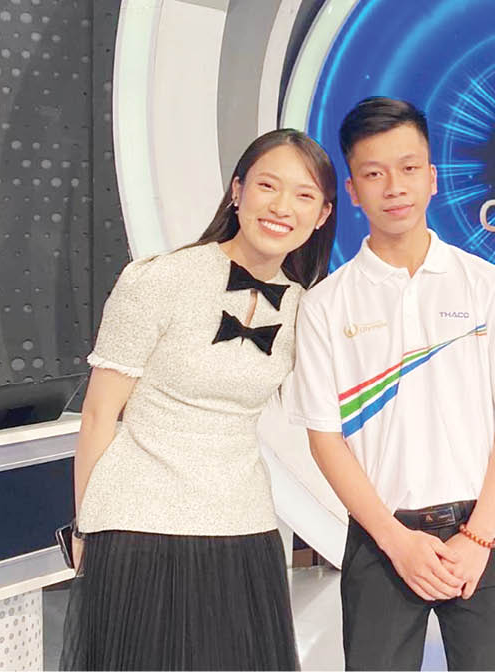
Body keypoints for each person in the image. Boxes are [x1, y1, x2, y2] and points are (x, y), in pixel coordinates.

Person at [286, 97, 495, 670]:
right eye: (373, 174)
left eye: (408, 168)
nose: (394, 188)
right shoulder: (326, 305)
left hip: (482, 532)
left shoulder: (485, 284)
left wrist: (479, 537)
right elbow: (324, 439)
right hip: (382, 540)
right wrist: (394, 541)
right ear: (352, 191)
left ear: (432, 177)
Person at [60, 128, 336, 671]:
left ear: (323, 214)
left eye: (304, 195)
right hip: (139, 523)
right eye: (267, 186)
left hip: (242, 525)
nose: (282, 207)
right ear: (237, 191)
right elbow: (98, 416)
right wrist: (85, 525)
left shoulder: (307, 309)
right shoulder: (159, 279)